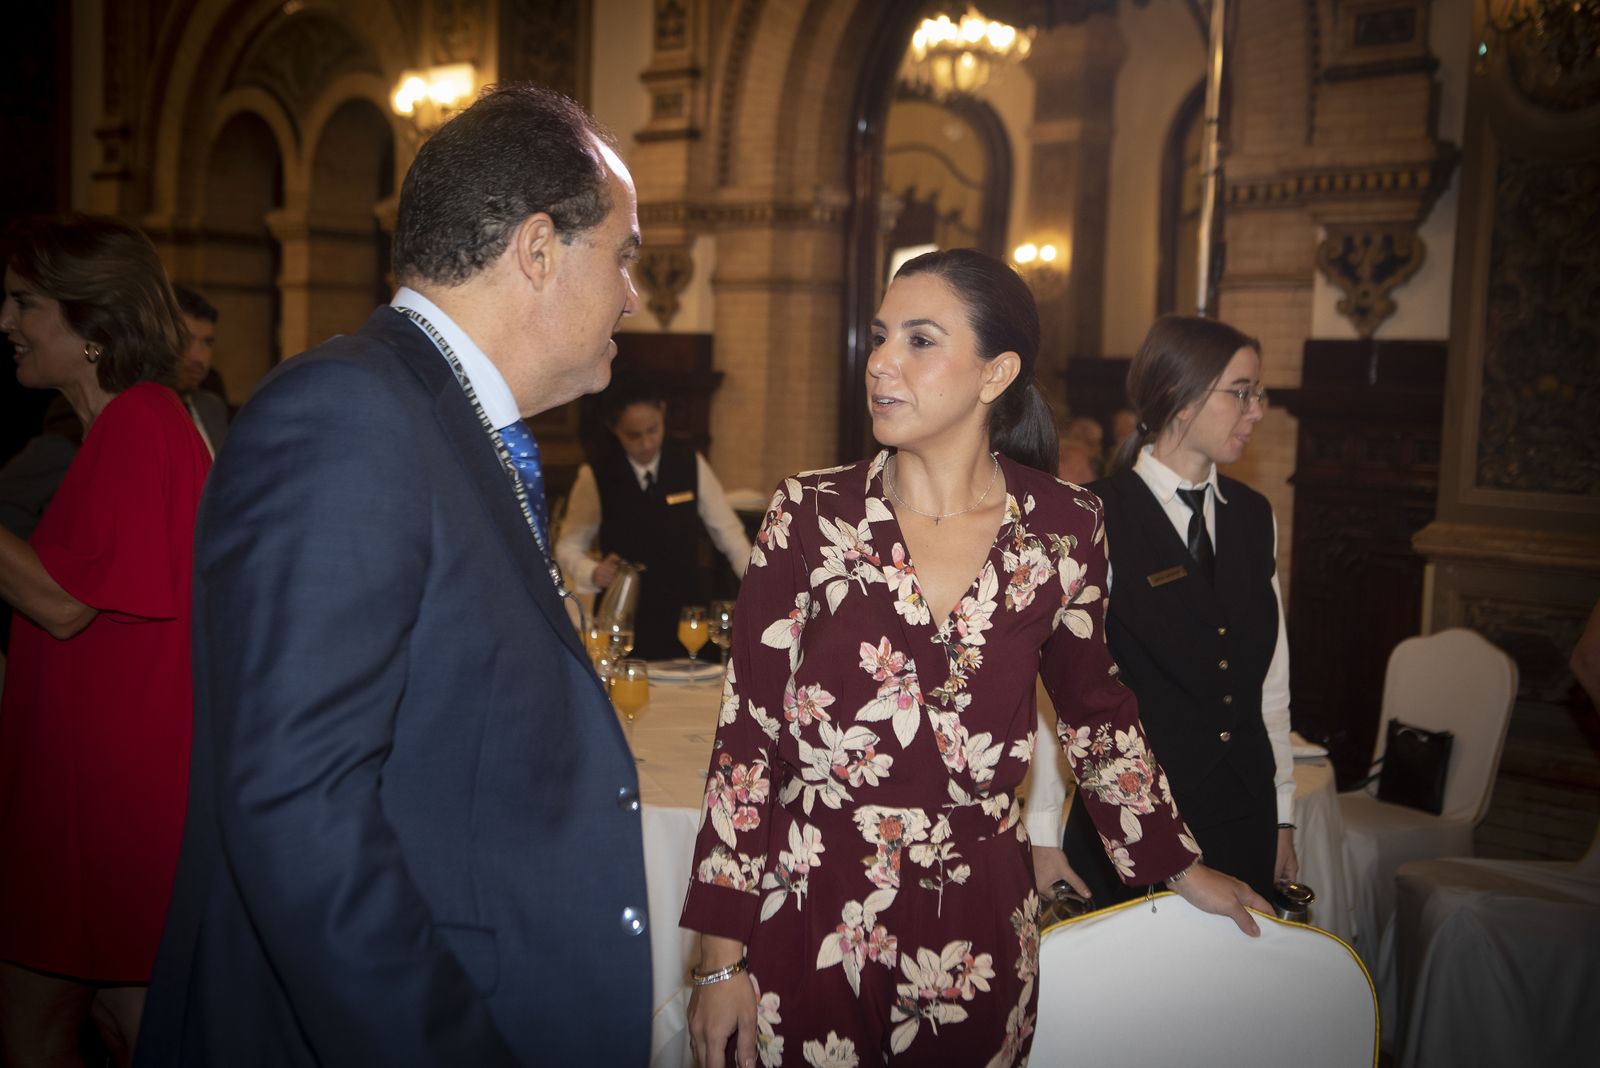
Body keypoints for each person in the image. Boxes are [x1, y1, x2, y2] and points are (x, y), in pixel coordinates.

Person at [137, 85, 652, 1065]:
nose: (633, 290)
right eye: (621, 252)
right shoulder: (347, 416)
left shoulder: (443, 415)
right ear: (537, 250)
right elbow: (301, 806)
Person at [682, 250, 1269, 1068]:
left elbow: (1096, 713)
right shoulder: (809, 516)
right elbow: (745, 743)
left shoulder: (1065, 528)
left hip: (980, 920)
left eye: (921, 341)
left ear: (996, 374)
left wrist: (1177, 866)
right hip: (812, 905)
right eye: (882, 337)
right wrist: (719, 960)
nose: (882, 362)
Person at [0, 213, 211, 1066]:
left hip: (109, 801)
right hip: (90, 787)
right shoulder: (130, 426)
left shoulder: (139, 424)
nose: (5, 322)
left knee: (89, 1028)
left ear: (92, 323)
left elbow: (61, 604)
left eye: (25, 302)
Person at [1028, 314, 1298, 911]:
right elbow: (1057, 695)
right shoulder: (1095, 514)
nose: (1257, 410)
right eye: (1242, 392)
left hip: (1244, 814)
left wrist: (1283, 816)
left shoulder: (1256, 517)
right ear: (1182, 398)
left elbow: (1269, 688)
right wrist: (1044, 833)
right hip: (1131, 821)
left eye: (1258, 393)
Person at [556, 378, 751, 658]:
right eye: (634, 435)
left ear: (663, 414)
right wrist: (592, 571)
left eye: (653, 430)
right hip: (625, 618)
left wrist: (758, 584)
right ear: (615, 430)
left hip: (686, 616)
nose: (647, 443)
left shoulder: (689, 462)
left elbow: (729, 534)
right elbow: (567, 548)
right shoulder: (596, 475)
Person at [170, 285, 230, 455]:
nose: (199, 357)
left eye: (208, 343)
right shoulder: (137, 412)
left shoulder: (212, 408)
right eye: (186, 340)